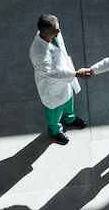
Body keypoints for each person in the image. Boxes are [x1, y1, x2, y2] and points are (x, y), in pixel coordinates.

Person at [29, 14, 90, 145]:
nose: (59, 31)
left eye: (58, 28)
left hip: (65, 75)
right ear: (44, 32)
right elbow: (51, 73)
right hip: (52, 85)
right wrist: (76, 74)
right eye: (55, 30)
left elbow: (61, 50)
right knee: (54, 108)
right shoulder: (38, 52)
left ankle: (69, 118)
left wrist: (70, 67)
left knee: (68, 98)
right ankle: (55, 130)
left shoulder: (53, 34)